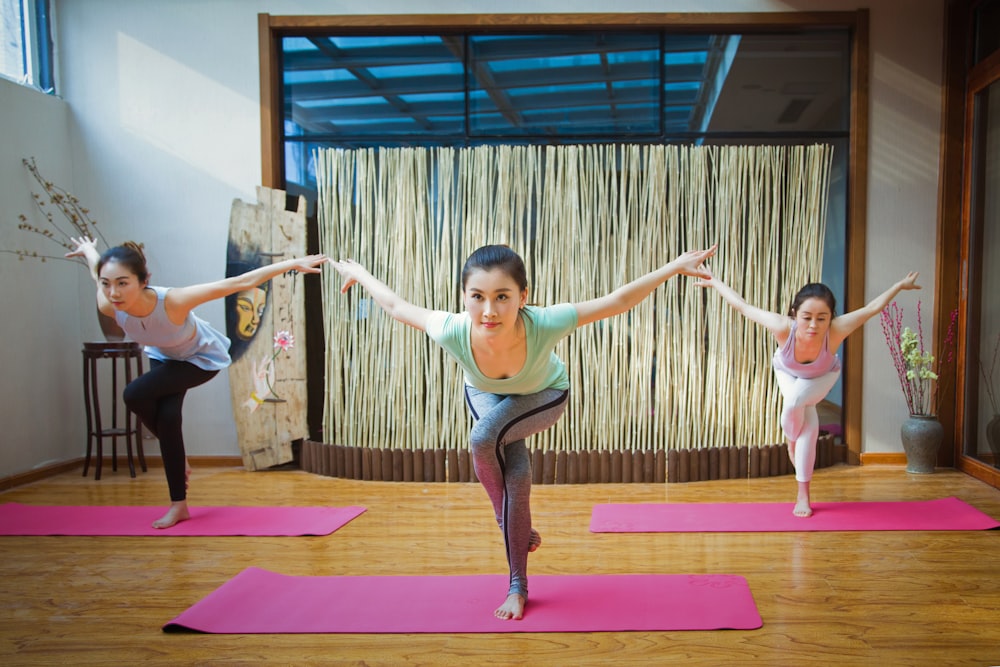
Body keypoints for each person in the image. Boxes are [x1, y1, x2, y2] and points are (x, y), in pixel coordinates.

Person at [332, 243, 716, 620]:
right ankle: (518, 585)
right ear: (463, 296)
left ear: (523, 296)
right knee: (516, 475)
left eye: (502, 297)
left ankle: (508, 525)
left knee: (482, 439)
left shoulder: (544, 322)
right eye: (477, 296)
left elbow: (616, 302)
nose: (489, 311)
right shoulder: (451, 329)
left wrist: (673, 267)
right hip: (484, 393)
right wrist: (360, 273)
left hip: (543, 395)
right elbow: (397, 307)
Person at [67, 236, 328, 529]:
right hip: (164, 356)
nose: (113, 292)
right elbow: (96, 271)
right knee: (167, 418)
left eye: (123, 283)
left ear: (144, 281)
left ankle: (175, 462)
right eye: (107, 284)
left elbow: (238, 283)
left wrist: (294, 263)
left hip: (199, 360)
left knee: (133, 394)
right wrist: (89, 251)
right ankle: (179, 505)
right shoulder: (108, 303)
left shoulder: (173, 302)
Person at [695, 265, 920, 517]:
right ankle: (803, 494)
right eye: (807, 317)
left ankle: (790, 441)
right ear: (795, 313)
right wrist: (714, 281)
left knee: (795, 401)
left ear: (831, 317)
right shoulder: (782, 326)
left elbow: (871, 309)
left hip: (822, 377)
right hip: (787, 373)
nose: (814, 325)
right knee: (808, 430)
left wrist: (899, 286)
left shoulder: (836, 329)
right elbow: (743, 307)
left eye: (822, 318)